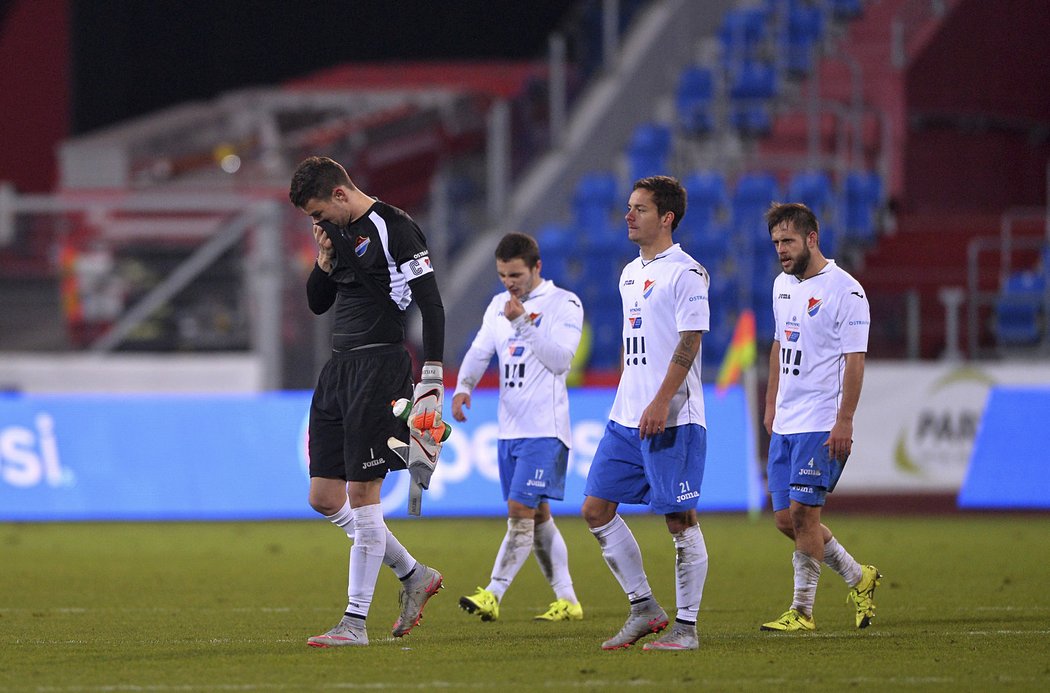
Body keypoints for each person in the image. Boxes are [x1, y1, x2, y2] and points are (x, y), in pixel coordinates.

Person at [288, 156, 447, 647]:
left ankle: (354, 623)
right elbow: (318, 302)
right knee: (324, 498)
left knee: (362, 497)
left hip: (381, 367)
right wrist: (322, 261)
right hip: (339, 369)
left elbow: (432, 304)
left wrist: (433, 378)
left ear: (339, 194)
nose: (317, 223)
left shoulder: (395, 228)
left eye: (318, 213)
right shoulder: (333, 234)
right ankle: (414, 574)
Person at [581, 175, 711, 651]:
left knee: (679, 520)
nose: (628, 215)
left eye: (640, 208)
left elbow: (690, 340)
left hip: (672, 417)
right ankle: (644, 609)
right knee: (595, 509)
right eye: (628, 207)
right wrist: (629, 393)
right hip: (626, 416)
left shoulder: (687, 273)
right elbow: (631, 342)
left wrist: (659, 400)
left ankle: (687, 629)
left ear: (667, 217)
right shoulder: (629, 273)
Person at [759, 202, 881, 632]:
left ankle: (802, 611)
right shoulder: (781, 285)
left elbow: (855, 360)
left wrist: (844, 420)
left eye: (788, 241)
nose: (781, 250)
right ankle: (858, 576)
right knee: (784, 519)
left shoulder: (845, 290)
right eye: (776, 242)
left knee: (804, 516)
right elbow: (778, 346)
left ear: (812, 238)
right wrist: (771, 403)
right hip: (787, 422)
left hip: (821, 421)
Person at [452, 232, 585, 623]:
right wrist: (463, 388)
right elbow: (480, 351)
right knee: (538, 516)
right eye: (502, 275)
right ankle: (568, 600)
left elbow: (560, 361)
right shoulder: (498, 306)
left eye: (515, 275)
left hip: (545, 428)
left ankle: (493, 592)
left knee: (519, 510)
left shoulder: (565, 303)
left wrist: (524, 323)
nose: (509, 283)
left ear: (536, 267)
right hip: (509, 429)